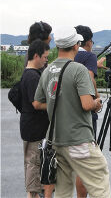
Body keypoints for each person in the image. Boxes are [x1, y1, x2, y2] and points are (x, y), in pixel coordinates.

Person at [33, 27, 111, 198]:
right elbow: (86, 104)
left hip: (57, 141)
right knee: (100, 184)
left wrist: (59, 104)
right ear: (76, 45)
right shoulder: (78, 70)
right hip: (79, 139)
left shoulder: (48, 70)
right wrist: (97, 103)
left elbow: (37, 102)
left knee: (63, 190)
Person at [74, 25, 106, 198]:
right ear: (88, 41)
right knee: (86, 162)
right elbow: (89, 78)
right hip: (85, 113)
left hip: (69, 113)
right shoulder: (89, 56)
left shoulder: (71, 55)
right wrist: (97, 99)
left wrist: (96, 65)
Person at [20, 39, 50, 198]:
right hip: (34, 130)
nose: (46, 60)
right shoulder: (32, 76)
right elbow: (37, 104)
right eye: (45, 57)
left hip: (32, 127)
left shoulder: (29, 73)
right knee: (33, 164)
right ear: (37, 56)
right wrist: (54, 105)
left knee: (33, 164)